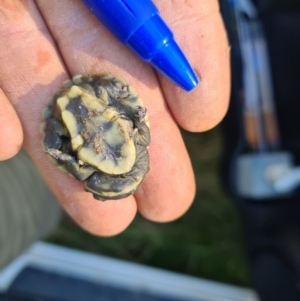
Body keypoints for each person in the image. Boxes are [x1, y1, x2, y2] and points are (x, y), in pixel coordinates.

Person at [0, 0, 230, 265]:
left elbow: (129, 124)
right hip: (87, 110)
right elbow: (133, 120)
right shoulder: (110, 152)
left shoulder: (114, 152)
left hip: (84, 111)